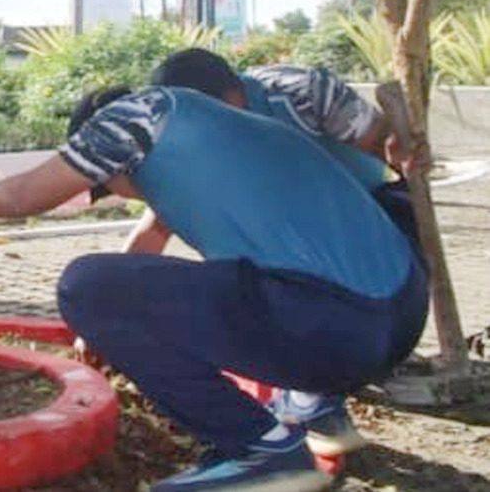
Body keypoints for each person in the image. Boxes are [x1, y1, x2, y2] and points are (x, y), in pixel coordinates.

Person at [0, 86, 427, 492]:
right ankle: (315, 406)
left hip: (333, 325)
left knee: (84, 285)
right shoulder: (223, 132)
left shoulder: (133, 118)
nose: (122, 195)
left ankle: (264, 451)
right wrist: (111, 329)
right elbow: (148, 246)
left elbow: (22, 197)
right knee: (254, 280)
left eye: (104, 185)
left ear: (106, 160)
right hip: (401, 316)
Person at [145, 48, 424, 458]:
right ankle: (322, 382)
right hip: (296, 241)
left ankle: (325, 381)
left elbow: (389, 148)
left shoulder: (303, 93)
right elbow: (156, 224)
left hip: (373, 214)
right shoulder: (190, 139)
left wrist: (406, 160)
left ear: (233, 94)